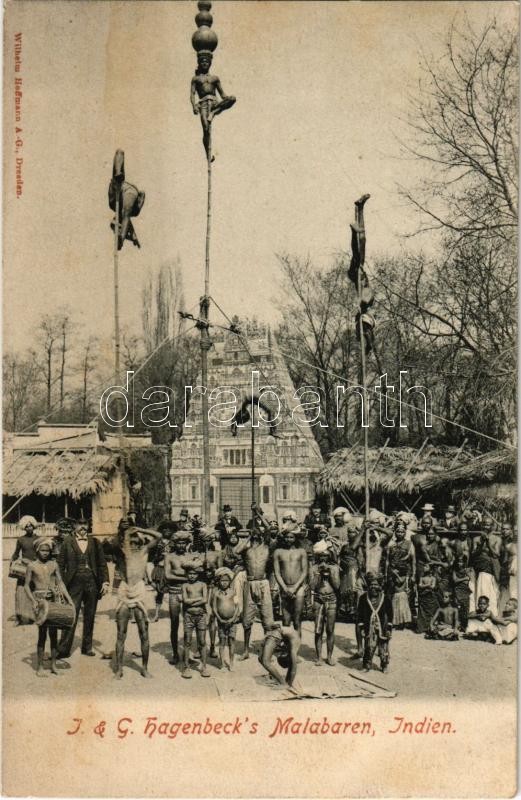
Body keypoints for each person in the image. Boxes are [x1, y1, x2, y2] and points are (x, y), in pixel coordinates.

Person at [107, 520, 161, 679]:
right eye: (131, 541)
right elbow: (116, 541)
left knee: (144, 632)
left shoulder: (144, 550)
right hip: (124, 589)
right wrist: (126, 530)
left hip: (139, 589)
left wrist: (140, 529)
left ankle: (144, 668)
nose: (134, 544)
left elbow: (159, 536)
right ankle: (119, 669)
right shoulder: (123, 550)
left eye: (137, 541)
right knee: (121, 633)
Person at [56, 519, 109, 658]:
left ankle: (87, 647)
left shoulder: (95, 542)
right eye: (80, 525)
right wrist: (60, 582)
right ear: (75, 527)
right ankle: (63, 649)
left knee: (90, 615)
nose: (83, 528)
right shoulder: (67, 542)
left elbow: (102, 564)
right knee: (71, 614)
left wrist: (105, 582)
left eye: (85, 525)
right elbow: (60, 564)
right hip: (74, 583)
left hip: (92, 582)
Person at [25, 538, 74, 677]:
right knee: (42, 635)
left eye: (47, 550)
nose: (45, 553)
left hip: (53, 600)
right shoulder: (32, 566)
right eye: (42, 550)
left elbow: (60, 583)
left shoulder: (54, 564)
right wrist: (33, 600)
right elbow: (26, 586)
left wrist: (68, 599)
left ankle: (53, 665)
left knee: (54, 635)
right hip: (40, 602)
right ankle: (40, 667)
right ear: (37, 551)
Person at [191, 51, 236, 160]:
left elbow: (223, 94)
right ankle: (208, 155)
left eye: (207, 61)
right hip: (203, 105)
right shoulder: (195, 79)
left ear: (210, 63)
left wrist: (228, 100)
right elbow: (192, 94)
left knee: (233, 98)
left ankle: (214, 113)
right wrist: (194, 106)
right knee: (206, 129)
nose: (205, 63)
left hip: (215, 103)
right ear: (199, 63)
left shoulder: (215, 78)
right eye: (202, 61)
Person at [241, 527, 275, 658]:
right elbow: (237, 550)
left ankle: (268, 652)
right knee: (246, 620)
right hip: (249, 584)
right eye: (254, 534)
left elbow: (270, 529)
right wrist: (249, 537)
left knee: (267, 619)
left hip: (263, 583)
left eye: (258, 534)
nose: (256, 535)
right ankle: (245, 650)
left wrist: (258, 514)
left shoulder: (266, 547)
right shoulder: (247, 549)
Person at [164, 530, 193, 664]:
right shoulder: (169, 557)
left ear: (187, 544)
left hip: (189, 592)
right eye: (179, 543)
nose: (181, 546)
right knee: (174, 623)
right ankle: (175, 653)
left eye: (184, 543)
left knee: (189, 624)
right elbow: (168, 576)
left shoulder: (190, 556)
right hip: (174, 592)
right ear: (175, 544)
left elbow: (196, 573)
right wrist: (185, 577)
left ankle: (187, 654)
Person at [273, 527, 309, 637]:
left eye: (291, 537)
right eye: (287, 537)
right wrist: (285, 588)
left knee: (297, 619)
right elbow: (277, 573)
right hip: (285, 588)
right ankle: (287, 649)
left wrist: (295, 588)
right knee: (285, 620)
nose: (289, 539)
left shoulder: (301, 552)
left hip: (298, 588)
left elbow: (304, 571)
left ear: (295, 538)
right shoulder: (278, 552)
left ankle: (295, 650)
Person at [356, 573, 393, 673]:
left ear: (380, 586)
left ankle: (384, 665)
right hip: (369, 627)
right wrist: (362, 627)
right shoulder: (363, 598)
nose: (373, 587)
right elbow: (360, 615)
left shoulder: (385, 598)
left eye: (376, 584)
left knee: (383, 647)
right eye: (371, 584)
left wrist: (389, 628)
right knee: (369, 646)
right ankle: (366, 665)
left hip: (383, 626)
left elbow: (390, 614)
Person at [312, 541, 340, 666]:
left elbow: (337, 586)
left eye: (325, 555)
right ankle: (319, 657)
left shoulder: (334, 567)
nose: (323, 557)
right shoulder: (313, 568)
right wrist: (318, 574)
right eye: (321, 555)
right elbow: (312, 586)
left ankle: (329, 656)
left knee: (330, 629)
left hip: (331, 599)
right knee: (318, 630)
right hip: (318, 599)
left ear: (329, 555)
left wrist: (330, 574)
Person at [181, 562, 210, 679]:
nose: (192, 576)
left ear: (198, 574)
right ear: (187, 574)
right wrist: (199, 599)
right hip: (188, 615)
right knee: (187, 641)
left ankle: (204, 666)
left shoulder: (203, 585)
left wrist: (193, 600)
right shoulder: (185, 586)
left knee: (202, 641)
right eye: (190, 574)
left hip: (201, 615)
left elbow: (205, 600)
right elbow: (185, 600)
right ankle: (186, 666)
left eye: (194, 574)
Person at [10, 515, 39, 625]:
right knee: (20, 591)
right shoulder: (21, 540)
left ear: (34, 526)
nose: (29, 528)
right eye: (26, 526)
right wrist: (12, 561)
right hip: (24, 569)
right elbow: (16, 553)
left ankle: (34, 616)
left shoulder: (38, 539)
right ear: (24, 528)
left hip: (35, 568)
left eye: (31, 526)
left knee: (35, 591)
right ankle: (18, 618)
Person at [386, 520, 415, 628]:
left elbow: (413, 560)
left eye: (402, 532)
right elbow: (388, 560)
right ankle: (394, 620)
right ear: (395, 532)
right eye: (398, 531)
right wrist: (388, 572)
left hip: (404, 573)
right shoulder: (391, 544)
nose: (400, 534)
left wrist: (412, 575)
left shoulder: (409, 544)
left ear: (405, 532)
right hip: (393, 572)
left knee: (403, 596)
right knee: (393, 596)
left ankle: (404, 620)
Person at [211, 567, 241, 670]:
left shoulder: (233, 592)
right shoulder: (216, 593)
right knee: (222, 641)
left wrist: (233, 618)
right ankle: (222, 662)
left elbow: (237, 606)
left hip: (232, 621)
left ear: (229, 582)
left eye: (226, 581)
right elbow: (214, 607)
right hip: (221, 621)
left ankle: (231, 662)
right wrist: (219, 618)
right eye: (222, 581)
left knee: (231, 641)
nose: (224, 583)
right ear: (218, 581)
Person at [259, 623, 300, 694]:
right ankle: (282, 682)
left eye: (280, 655)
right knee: (264, 660)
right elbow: (293, 666)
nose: (279, 655)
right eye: (281, 655)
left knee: (263, 660)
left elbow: (293, 665)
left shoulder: (292, 646)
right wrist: (288, 684)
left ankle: (282, 682)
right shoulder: (294, 645)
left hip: (274, 633)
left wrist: (288, 683)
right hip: (275, 633)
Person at [471, 531, 500, 616]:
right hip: (482, 570)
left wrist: (488, 543)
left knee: (493, 593)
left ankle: (492, 614)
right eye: (484, 525)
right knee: (482, 591)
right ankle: (481, 614)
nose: (486, 527)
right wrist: (482, 543)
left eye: (488, 525)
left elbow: (496, 555)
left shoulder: (496, 538)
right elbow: (473, 554)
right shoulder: (476, 539)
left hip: (492, 569)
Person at [416, 563, 439, 634]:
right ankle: (422, 627)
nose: (424, 567)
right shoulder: (422, 577)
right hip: (423, 596)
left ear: (430, 569)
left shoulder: (433, 578)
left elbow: (433, 586)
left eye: (426, 566)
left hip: (430, 596)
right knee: (422, 613)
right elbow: (419, 585)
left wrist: (425, 586)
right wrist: (427, 585)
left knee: (431, 612)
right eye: (424, 566)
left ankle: (429, 627)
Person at [452, 554, 472, 630]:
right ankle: (458, 625)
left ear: (464, 562)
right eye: (458, 562)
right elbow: (455, 580)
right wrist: (464, 578)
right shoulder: (455, 571)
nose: (458, 563)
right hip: (457, 591)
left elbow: (468, 581)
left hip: (465, 591)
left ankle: (464, 625)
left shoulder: (466, 570)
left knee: (465, 608)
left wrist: (460, 580)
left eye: (460, 562)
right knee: (458, 607)